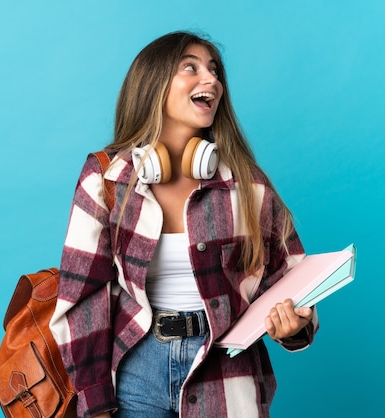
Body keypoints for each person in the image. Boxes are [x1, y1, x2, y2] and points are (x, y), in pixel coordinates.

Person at [50, 31, 319, 418]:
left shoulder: (248, 184)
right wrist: (94, 400)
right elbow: (83, 297)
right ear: (152, 83)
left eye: (214, 71)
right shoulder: (107, 179)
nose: (211, 80)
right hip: (134, 373)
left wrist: (295, 327)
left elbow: (293, 279)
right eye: (190, 68)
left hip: (226, 372)